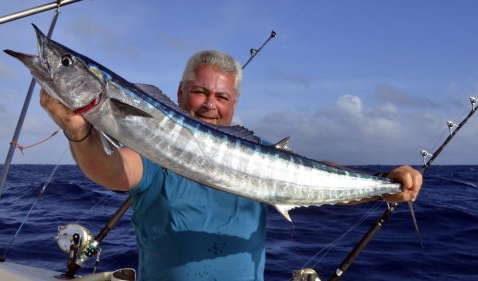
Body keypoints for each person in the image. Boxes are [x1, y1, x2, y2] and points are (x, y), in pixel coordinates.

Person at [40, 50, 422, 281]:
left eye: (221, 96)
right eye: (200, 92)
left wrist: (383, 184)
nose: (210, 104)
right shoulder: (154, 154)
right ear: (180, 93)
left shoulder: (258, 152)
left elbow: (312, 174)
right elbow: (110, 169)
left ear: (234, 104)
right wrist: (78, 132)